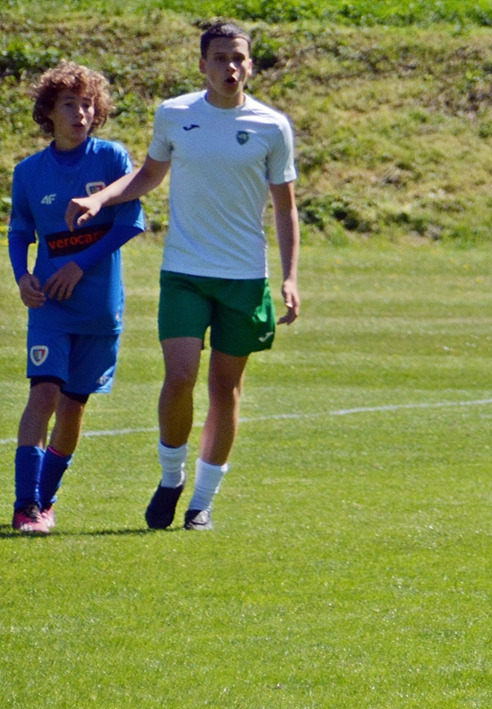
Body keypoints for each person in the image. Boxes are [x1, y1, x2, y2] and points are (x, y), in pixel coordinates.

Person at [67, 20, 299, 531]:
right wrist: (101, 199)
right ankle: (171, 478)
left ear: (250, 65)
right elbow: (149, 174)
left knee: (225, 389)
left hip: (243, 277)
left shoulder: (272, 125)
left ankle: (202, 502)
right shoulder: (175, 114)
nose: (230, 66)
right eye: (219, 58)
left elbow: (285, 207)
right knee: (179, 377)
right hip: (184, 271)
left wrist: (290, 276)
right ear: (202, 65)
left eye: (238, 57)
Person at [8, 63, 145, 534]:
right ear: (49, 111)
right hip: (50, 304)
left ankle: (45, 501)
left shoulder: (111, 159)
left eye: (88, 104)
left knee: (72, 406)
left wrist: (79, 264)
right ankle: (25, 505)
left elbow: (130, 223)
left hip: (99, 306)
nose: (81, 113)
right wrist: (23, 276)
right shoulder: (29, 172)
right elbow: (20, 230)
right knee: (43, 392)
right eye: (70, 104)